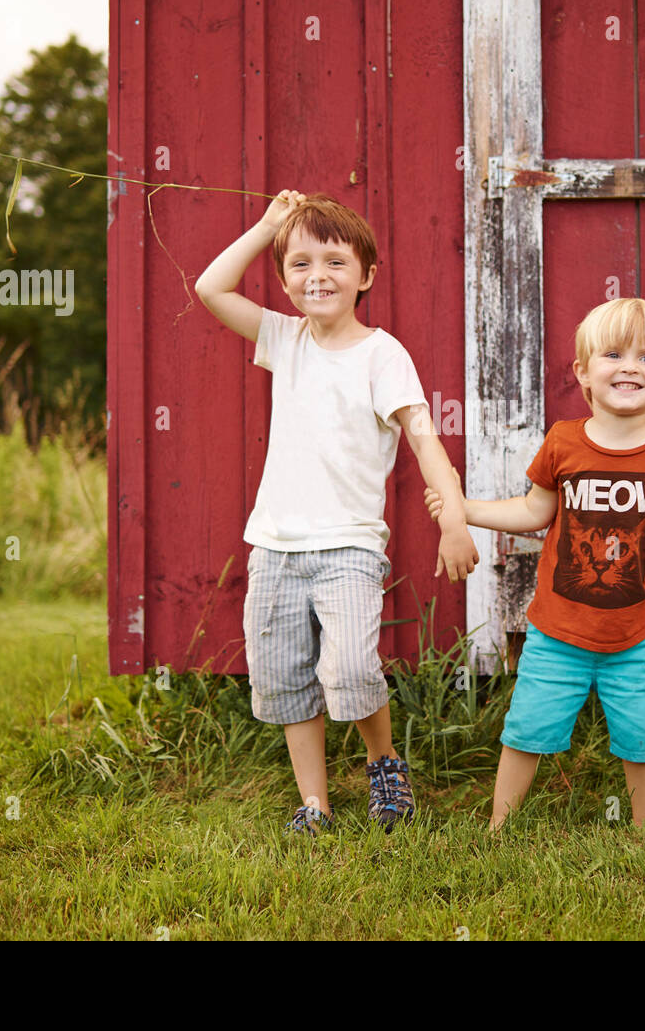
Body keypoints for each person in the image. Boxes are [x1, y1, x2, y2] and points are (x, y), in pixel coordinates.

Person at [425, 297, 645, 834]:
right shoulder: (564, 442)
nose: (629, 367)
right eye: (613, 354)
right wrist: (464, 508)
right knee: (526, 728)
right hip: (556, 631)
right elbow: (533, 511)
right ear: (583, 373)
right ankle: (498, 828)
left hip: (636, 634)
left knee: (644, 737)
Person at [196, 190, 477, 834]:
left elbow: (422, 436)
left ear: (366, 276)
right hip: (275, 548)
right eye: (299, 263)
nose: (316, 275)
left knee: (350, 668)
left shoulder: (383, 355)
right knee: (286, 677)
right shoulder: (283, 337)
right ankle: (315, 803)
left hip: (349, 546)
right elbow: (212, 288)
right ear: (284, 277)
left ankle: (384, 764)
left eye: (334, 262)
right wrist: (268, 225)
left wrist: (453, 518)